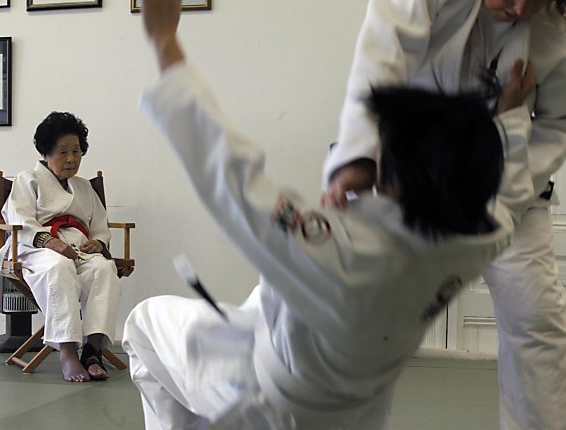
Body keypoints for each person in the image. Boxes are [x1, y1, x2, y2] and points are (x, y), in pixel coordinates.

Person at [122, 0, 535, 428]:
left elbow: (228, 176)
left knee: (143, 324)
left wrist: (163, 40)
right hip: (358, 410)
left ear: (393, 175)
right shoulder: (478, 239)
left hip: (271, 402)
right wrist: (509, 114)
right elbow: (511, 187)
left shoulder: (337, 251)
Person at [321, 1, 566, 428]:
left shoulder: (556, 19)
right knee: (369, 323)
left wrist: (506, 198)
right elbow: (381, 56)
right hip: (405, 176)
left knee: (536, 320)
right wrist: (357, 158)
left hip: (509, 185)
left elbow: (557, 123)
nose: (522, 7)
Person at [0, 112, 122, 382]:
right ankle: (67, 351)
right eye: (62, 151)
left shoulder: (83, 187)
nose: (71, 159)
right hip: (35, 249)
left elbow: (100, 225)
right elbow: (19, 218)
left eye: (76, 151)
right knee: (59, 266)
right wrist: (49, 241)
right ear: (45, 152)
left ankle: (92, 350)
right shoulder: (27, 179)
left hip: (78, 250)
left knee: (103, 268)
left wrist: (97, 242)